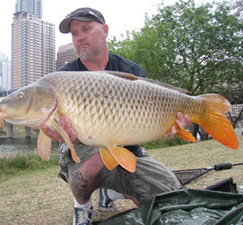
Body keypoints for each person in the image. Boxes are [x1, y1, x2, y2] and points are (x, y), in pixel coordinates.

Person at [42, 7, 191, 225]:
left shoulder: (131, 70)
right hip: (83, 145)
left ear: (104, 30)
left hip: (126, 147)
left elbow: (143, 126)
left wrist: (169, 125)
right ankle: (82, 207)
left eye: (86, 29)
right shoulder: (64, 77)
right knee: (86, 173)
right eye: (74, 33)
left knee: (171, 193)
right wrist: (62, 134)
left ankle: (113, 192)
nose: (79, 37)